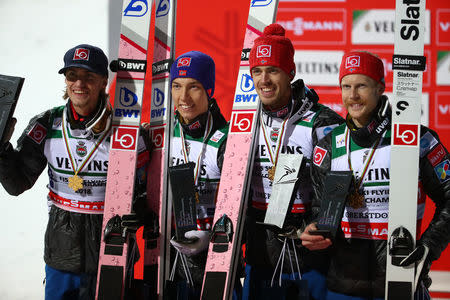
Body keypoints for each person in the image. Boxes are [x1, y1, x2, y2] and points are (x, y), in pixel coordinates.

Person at [0, 44, 150, 299]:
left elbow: (149, 191)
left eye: (89, 76)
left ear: (104, 81)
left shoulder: (129, 133)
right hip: (62, 256)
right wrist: (1, 149)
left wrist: (143, 209)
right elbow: (17, 184)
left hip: (114, 252)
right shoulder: (46, 125)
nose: (79, 83)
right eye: (72, 75)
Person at [301, 51, 450, 299]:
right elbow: (318, 209)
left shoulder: (417, 140)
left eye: (362, 86)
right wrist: (312, 228)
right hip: (343, 287)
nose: (353, 95)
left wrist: (428, 247)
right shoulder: (328, 146)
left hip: (401, 280)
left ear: (380, 87)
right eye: (346, 86)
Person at [242, 23, 344, 300]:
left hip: (309, 260)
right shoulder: (243, 123)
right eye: (257, 71)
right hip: (259, 256)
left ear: (291, 72)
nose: (264, 80)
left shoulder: (323, 122)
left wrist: (319, 224)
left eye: (273, 70)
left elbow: (339, 187)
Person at [167, 51, 229, 299]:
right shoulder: (160, 134)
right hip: (168, 262)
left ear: (209, 90)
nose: (183, 97)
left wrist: (213, 238)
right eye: (177, 86)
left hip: (216, 263)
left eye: (193, 87)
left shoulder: (227, 140)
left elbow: (244, 210)